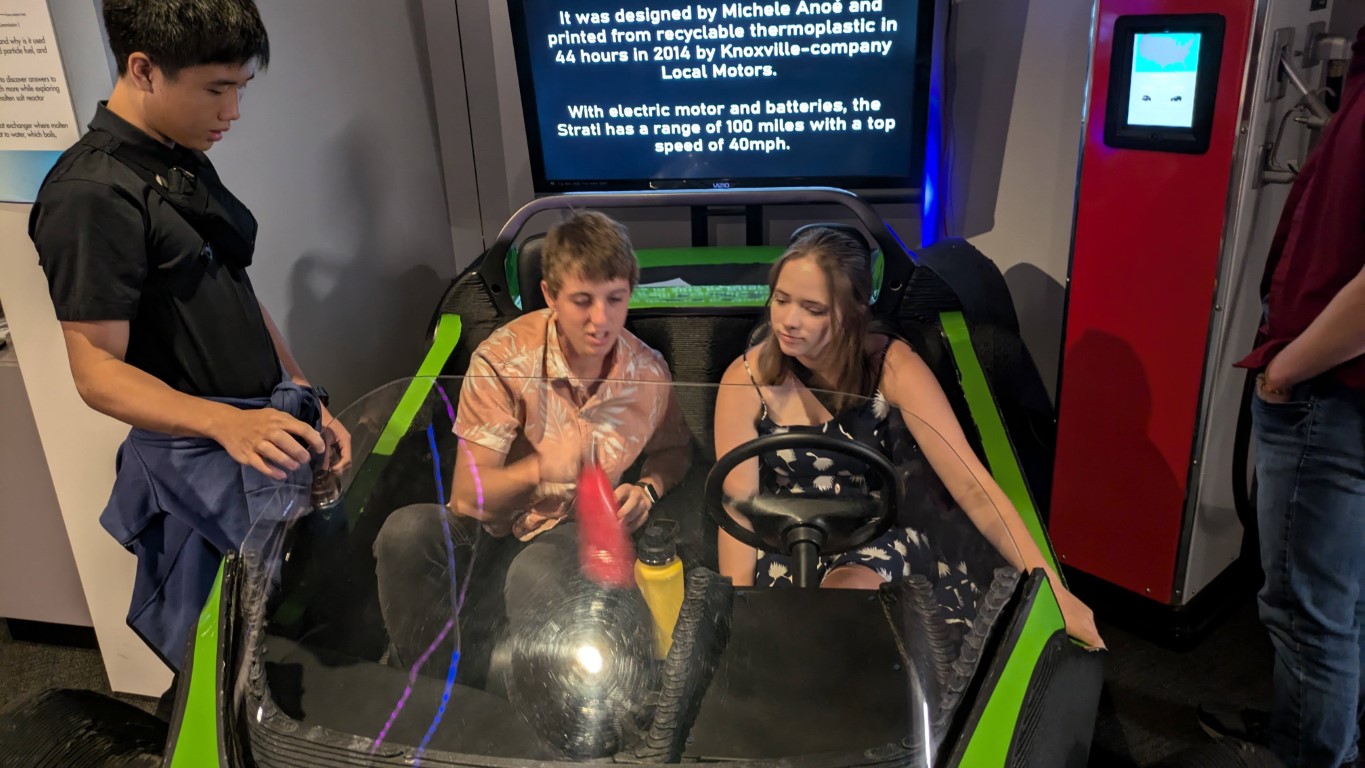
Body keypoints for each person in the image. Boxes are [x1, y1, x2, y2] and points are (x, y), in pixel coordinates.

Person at [27, 0, 350, 680]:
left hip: (259, 426)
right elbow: (96, 373)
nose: (231, 111)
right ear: (143, 69)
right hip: (198, 464)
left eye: (239, 89)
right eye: (215, 89)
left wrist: (301, 394)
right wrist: (223, 424)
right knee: (227, 661)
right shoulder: (88, 194)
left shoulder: (181, 159)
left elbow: (230, 286)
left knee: (298, 632)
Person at [713, 227, 1104, 649]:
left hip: (870, 539)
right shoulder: (746, 378)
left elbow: (972, 485)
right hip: (785, 544)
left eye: (812, 308)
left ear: (852, 312)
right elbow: (739, 513)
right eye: (782, 299)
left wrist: (1052, 591)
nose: (788, 321)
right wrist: (736, 616)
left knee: (840, 614)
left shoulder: (892, 365)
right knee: (779, 641)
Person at [373, 211, 692, 682]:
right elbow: (468, 496)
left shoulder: (647, 372)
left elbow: (675, 449)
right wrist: (542, 468)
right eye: (582, 301)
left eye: (615, 300)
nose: (600, 320)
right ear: (549, 295)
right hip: (493, 524)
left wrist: (648, 488)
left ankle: (533, 708)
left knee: (535, 571)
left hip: (575, 526)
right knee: (405, 534)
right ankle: (437, 689)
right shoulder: (505, 359)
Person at [1199, 25, 1365, 768]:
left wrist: (1286, 369)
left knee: (1305, 615)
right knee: (1342, 608)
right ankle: (1322, 739)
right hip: (1327, 388)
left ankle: (1307, 755)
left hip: (1328, 392)